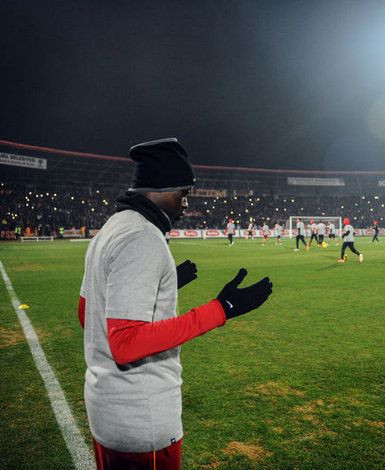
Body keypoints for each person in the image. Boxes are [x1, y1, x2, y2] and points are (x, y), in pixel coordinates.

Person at [78, 138, 273, 469]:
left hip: (108, 411)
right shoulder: (142, 238)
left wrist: (152, 288)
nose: (186, 203)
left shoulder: (112, 228)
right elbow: (125, 343)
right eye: (182, 193)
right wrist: (220, 309)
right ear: (158, 188)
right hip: (142, 419)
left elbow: (87, 312)